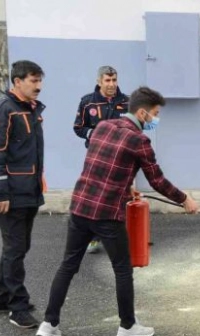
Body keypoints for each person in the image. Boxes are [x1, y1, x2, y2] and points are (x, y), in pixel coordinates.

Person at [36, 86, 200, 336]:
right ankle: (127, 327)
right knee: (122, 269)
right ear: (143, 113)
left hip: (80, 206)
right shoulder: (140, 141)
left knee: (68, 265)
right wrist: (185, 199)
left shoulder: (103, 126)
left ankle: (49, 323)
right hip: (107, 215)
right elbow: (157, 181)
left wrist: (127, 188)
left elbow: (103, 164)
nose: (156, 119)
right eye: (155, 114)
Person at [0, 60, 46, 329]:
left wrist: (38, 178)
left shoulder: (29, 109)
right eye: (33, 81)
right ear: (17, 81)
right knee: (15, 248)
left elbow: (27, 152)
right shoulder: (2, 111)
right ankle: (17, 307)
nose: (38, 86)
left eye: (40, 81)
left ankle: (1, 298)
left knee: (17, 247)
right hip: (10, 193)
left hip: (28, 190)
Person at [73, 65, 129, 254]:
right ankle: (94, 238)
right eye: (107, 80)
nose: (112, 84)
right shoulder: (87, 102)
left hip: (121, 160)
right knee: (96, 199)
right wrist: (93, 133)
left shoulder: (127, 102)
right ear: (99, 81)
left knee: (121, 198)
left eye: (114, 80)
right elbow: (78, 127)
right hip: (96, 160)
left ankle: (121, 237)